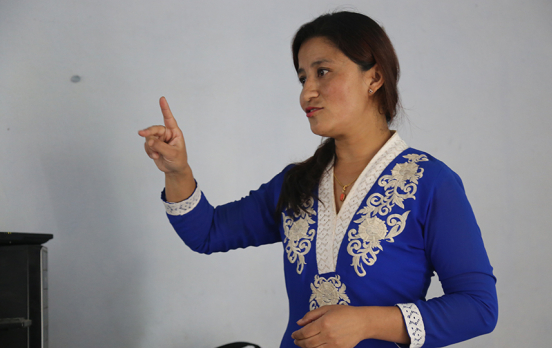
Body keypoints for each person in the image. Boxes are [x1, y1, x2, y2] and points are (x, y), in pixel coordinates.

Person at [138, 11, 498, 348]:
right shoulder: (298, 184)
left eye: (322, 72)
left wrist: (367, 323)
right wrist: (177, 171)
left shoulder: (430, 183)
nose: (306, 92)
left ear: (374, 77)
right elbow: (208, 232)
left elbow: (478, 307)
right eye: (302, 77)